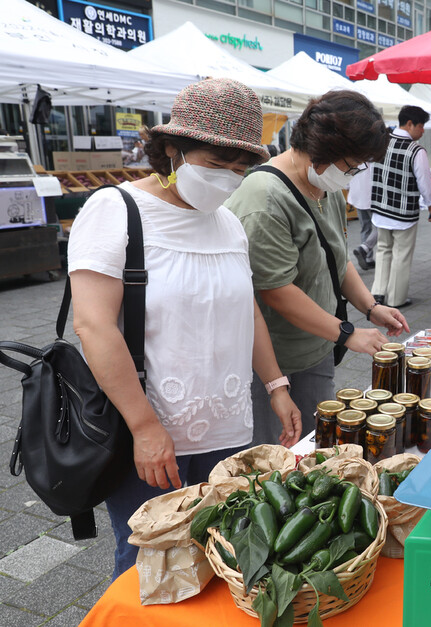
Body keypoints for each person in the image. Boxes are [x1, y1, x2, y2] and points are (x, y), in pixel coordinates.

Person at [67, 78, 302, 578]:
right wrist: (145, 427)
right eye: (215, 166)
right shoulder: (117, 211)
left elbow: (248, 311)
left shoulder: (228, 223)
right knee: (153, 565)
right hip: (151, 432)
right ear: (171, 150)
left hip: (229, 430)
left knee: (221, 555)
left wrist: (276, 386)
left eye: (239, 171)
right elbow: (93, 326)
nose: (227, 181)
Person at [226, 90, 409, 446]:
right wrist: (347, 334)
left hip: (317, 346)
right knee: (273, 455)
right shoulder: (264, 198)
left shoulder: (323, 187)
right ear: (322, 152)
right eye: (351, 165)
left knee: (316, 442)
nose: (354, 174)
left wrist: (370, 307)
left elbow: (337, 259)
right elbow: (276, 291)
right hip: (272, 359)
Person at [369, 105, 431, 309]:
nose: (423, 130)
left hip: (380, 209)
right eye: (421, 125)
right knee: (401, 255)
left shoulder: (382, 143)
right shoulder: (416, 150)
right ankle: (396, 299)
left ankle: (378, 293)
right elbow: (424, 182)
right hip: (403, 213)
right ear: (410, 124)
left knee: (382, 250)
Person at [349, 164, 376, 271]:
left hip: (357, 194)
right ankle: (364, 249)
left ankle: (368, 258)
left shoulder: (354, 151)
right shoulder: (373, 152)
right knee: (381, 227)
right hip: (371, 195)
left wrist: (348, 188)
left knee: (365, 227)